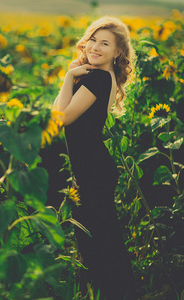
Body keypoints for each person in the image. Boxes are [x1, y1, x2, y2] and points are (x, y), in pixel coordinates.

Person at [53, 16, 136, 299]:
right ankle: (113, 292)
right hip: (90, 165)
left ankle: (118, 293)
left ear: (118, 52)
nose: (95, 47)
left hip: (91, 168)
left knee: (99, 241)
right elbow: (59, 113)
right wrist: (73, 76)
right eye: (93, 40)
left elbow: (61, 118)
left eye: (105, 43)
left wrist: (67, 77)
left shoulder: (100, 78)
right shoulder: (96, 77)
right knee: (99, 238)